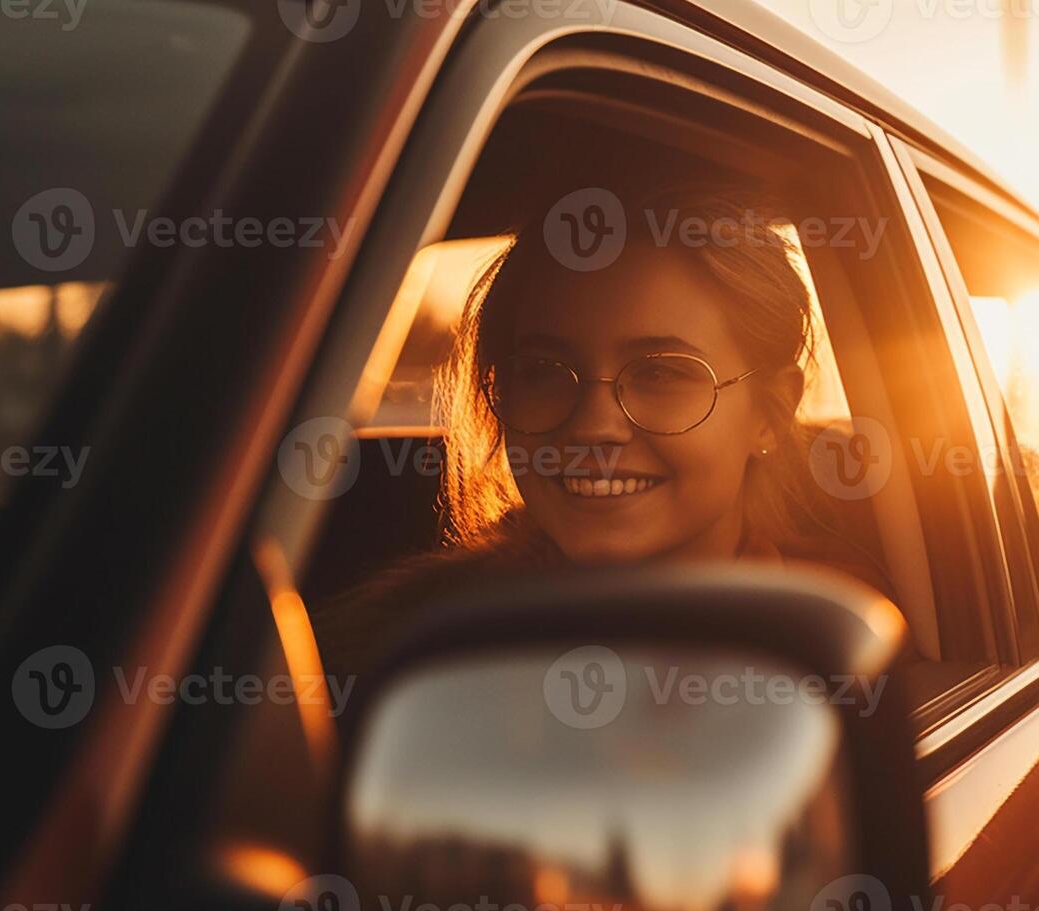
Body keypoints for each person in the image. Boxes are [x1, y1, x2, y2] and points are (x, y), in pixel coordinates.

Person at [319, 183, 894, 673]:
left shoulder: (836, 638)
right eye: (543, 373)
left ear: (769, 413)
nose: (593, 427)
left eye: (662, 374)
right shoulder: (405, 644)